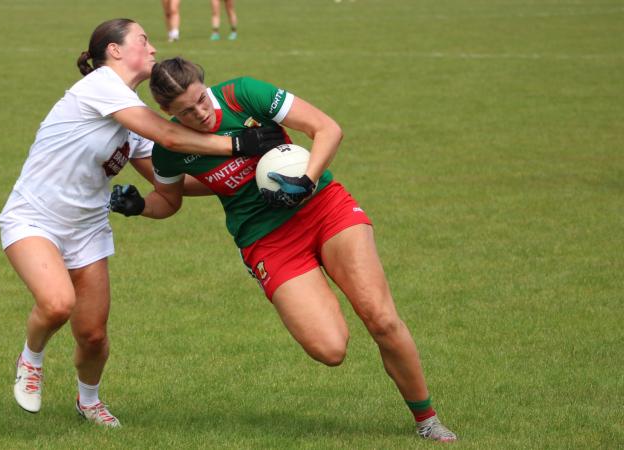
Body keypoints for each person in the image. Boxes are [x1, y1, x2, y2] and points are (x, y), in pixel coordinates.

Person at [109, 57, 458, 442]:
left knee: (380, 317)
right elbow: (169, 200)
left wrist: (305, 181)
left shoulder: (243, 95)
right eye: (186, 112)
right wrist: (140, 206)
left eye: (201, 101)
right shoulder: (170, 150)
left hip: (322, 206)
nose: (201, 114)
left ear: (204, 85)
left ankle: (427, 420)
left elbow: (327, 129)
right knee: (330, 349)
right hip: (266, 239)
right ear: (166, 112)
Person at [0, 20, 284, 427]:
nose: (152, 49)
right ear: (114, 51)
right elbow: (171, 137)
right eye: (143, 40)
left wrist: (245, 171)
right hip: (34, 217)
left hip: (88, 228)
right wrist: (239, 143)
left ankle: (89, 402)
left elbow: (174, 187)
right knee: (57, 303)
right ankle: (31, 359)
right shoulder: (101, 85)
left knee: (94, 336)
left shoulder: (134, 117)